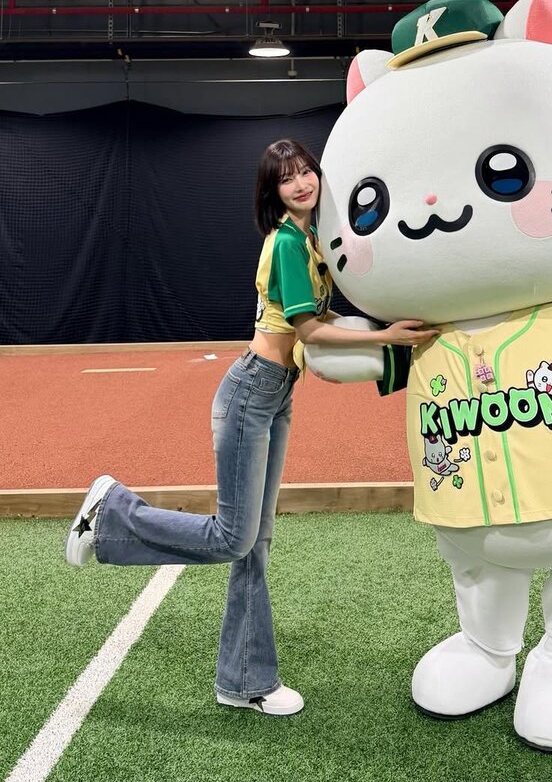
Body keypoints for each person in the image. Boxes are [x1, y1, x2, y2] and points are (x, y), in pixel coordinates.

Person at [65, 138, 437, 717]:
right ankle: (112, 513)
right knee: (235, 538)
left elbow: (320, 314)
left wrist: (380, 331)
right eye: (287, 177)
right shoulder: (287, 242)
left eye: (306, 171)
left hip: (276, 392)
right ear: (273, 191)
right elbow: (307, 331)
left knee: (254, 545)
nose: (301, 183)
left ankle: (244, 681)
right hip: (251, 392)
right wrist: (386, 336)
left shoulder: (309, 241)